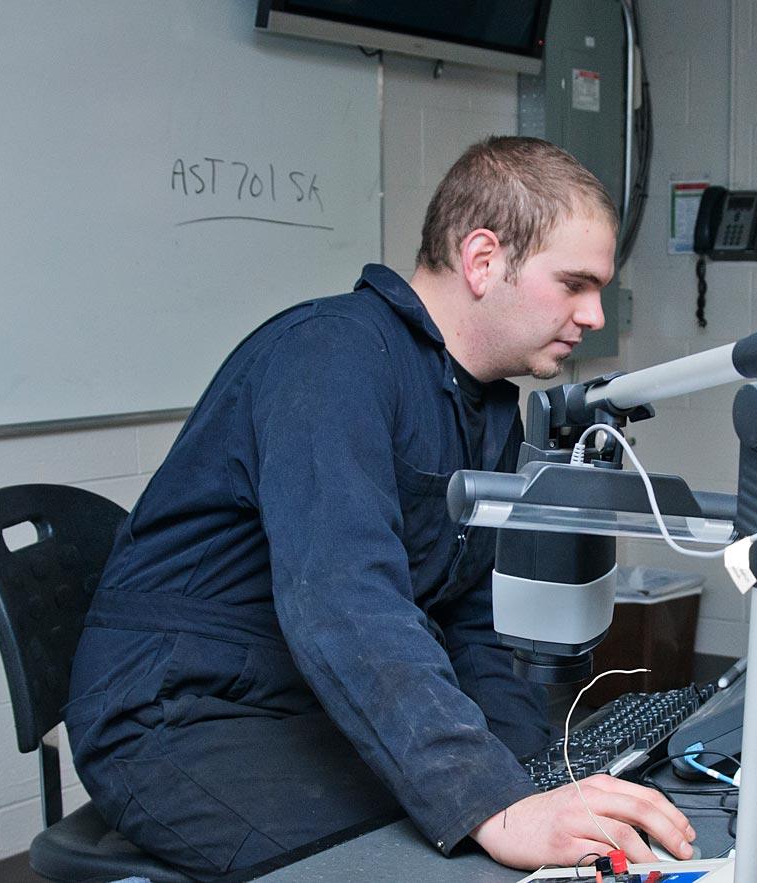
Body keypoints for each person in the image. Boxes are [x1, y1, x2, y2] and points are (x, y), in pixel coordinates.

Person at [65, 136, 697, 879]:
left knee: (495, 830)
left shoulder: (487, 408)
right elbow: (342, 602)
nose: (594, 314)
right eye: (575, 284)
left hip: (301, 702)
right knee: (438, 853)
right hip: (177, 717)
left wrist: (535, 775)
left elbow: (473, 618)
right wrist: (494, 804)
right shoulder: (331, 358)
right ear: (484, 259)